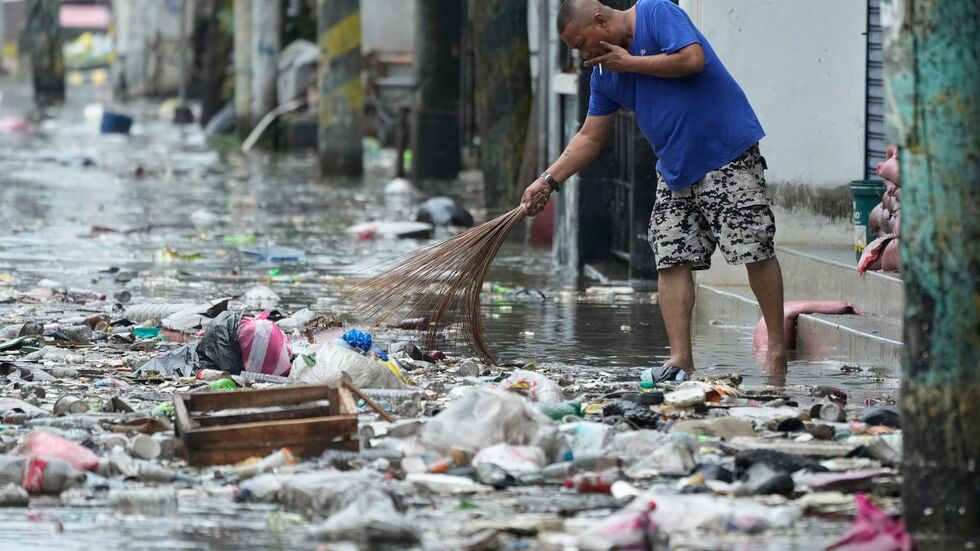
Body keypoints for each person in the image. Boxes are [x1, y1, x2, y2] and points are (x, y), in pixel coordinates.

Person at [522, 0, 787, 380]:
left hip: (725, 153)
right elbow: (590, 137)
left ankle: (777, 349)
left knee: (753, 249)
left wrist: (630, 63)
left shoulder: (656, 13)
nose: (583, 55)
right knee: (670, 256)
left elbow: (692, 59)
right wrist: (548, 180)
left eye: (583, 43)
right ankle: (680, 361)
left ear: (600, 20)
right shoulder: (603, 76)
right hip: (675, 170)